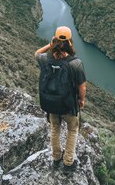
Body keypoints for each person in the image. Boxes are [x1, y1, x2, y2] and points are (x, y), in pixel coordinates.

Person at [35, 25, 86, 173]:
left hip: (51, 103)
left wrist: (50, 46)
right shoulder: (75, 63)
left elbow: (37, 53)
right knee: (72, 130)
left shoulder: (45, 59)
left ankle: (56, 158)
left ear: (55, 40)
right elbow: (82, 87)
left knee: (55, 128)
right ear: (70, 41)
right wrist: (81, 100)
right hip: (68, 105)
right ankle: (68, 162)